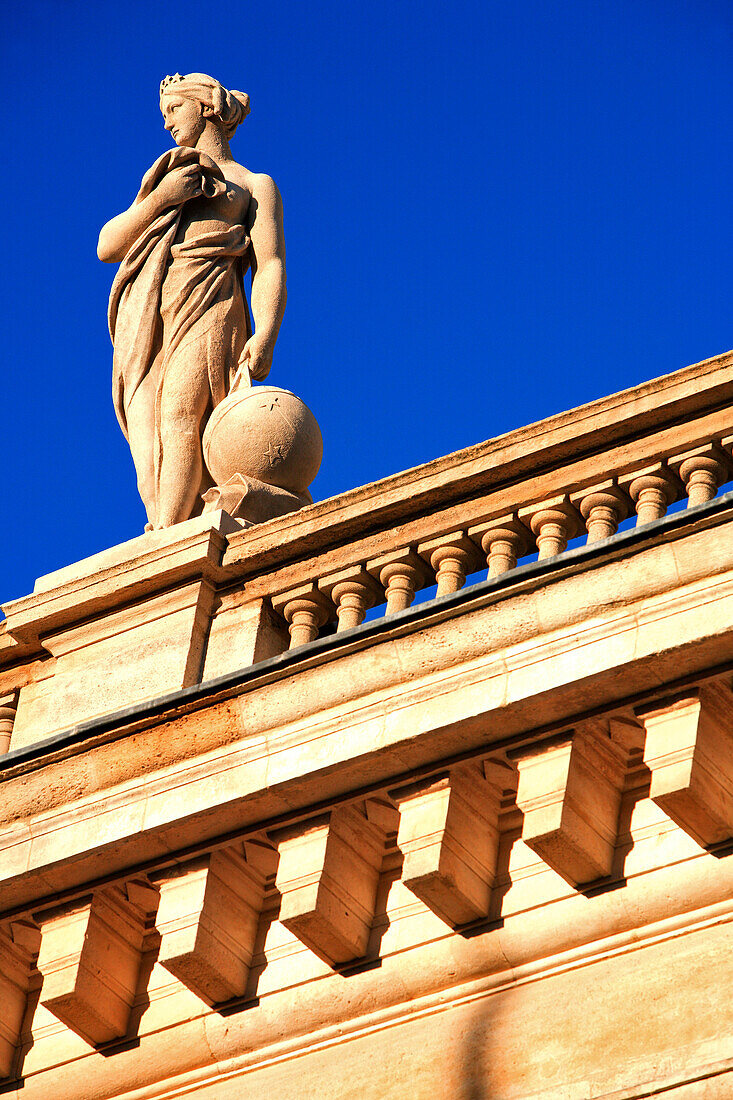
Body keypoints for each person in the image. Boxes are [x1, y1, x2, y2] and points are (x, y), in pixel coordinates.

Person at [98, 73, 287, 529]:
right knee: (147, 441)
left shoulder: (254, 185)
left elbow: (270, 265)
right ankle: (163, 523)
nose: (166, 125)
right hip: (148, 318)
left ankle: (166, 533)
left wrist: (266, 334)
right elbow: (107, 245)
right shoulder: (169, 174)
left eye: (173, 111)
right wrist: (163, 198)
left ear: (205, 108)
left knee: (181, 412)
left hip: (211, 305)